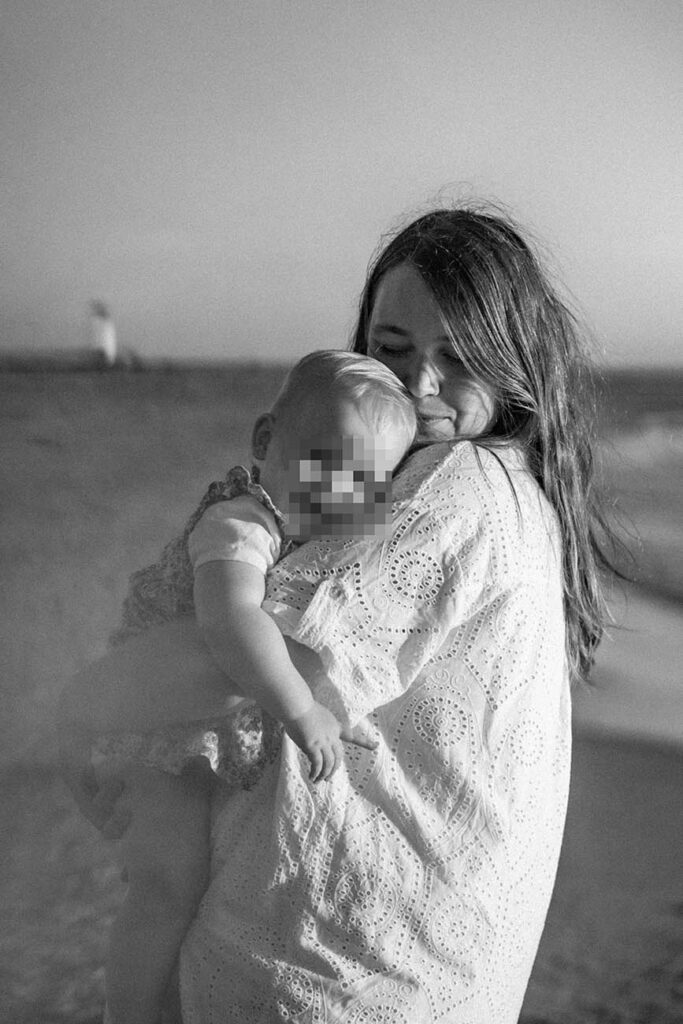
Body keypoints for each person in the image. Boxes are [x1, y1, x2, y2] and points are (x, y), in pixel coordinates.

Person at [60, 206, 619, 1023]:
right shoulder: (516, 490)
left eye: (457, 359)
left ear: (511, 368)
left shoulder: (450, 485)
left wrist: (80, 715)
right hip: (431, 980)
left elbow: (238, 667)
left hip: (326, 985)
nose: (419, 388)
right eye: (391, 351)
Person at [62, 350, 417, 1024]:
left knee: (192, 884)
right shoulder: (240, 523)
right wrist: (300, 708)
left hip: (183, 731)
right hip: (149, 734)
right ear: (264, 442)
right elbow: (230, 622)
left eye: (367, 482)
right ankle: (127, 1013)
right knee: (167, 885)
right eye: (328, 463)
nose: (343, 493)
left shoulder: (290, 522)